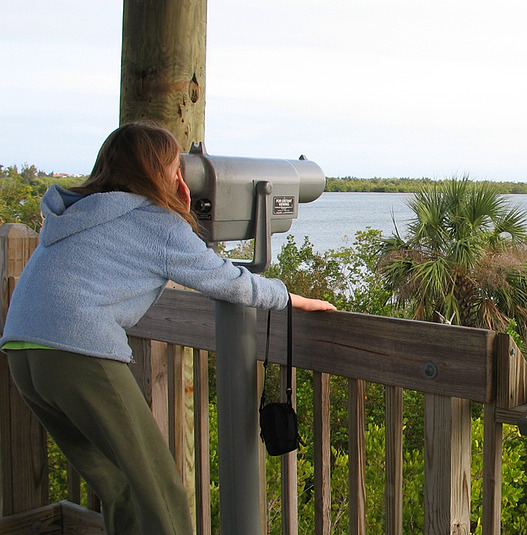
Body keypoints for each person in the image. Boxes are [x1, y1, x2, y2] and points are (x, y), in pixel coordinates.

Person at [0, 121, 336, 535]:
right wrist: (287, 297)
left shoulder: (79, 212)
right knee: (162, 494)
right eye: (177, 165)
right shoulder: (153, 221)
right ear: (164, 171)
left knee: (120, 486)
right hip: (77, 351)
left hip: (22, 349)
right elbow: (224, 280)